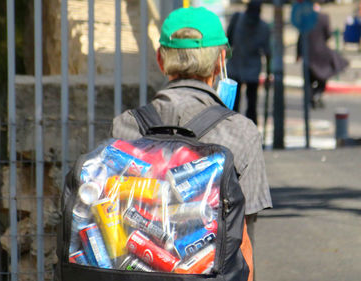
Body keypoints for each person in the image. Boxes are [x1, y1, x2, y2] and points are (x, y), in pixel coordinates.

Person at [111, 6, 272, 267]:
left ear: (161, 61)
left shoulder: (125, 127)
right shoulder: (241, 132)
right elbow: (244, 238)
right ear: (221, 61)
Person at [226, 0, 271, 125]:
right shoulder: (237, 19)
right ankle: (232, 129)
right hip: (235, 66)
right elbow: (228, 41)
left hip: (252, 70)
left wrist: (268, 74)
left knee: (251, 106)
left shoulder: (263, 27)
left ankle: (251, 133)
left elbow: (268, 52)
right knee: (233, 106)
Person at [297, 2, 349, 109]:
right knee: (323, 77)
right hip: (321, 54)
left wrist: (298, 53)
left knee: (308, 80)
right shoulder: (324, 18)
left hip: (308, 54)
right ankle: (316, 94)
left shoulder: (305, 18)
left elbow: (300, 38)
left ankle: (312, 96)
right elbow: (328, 35)